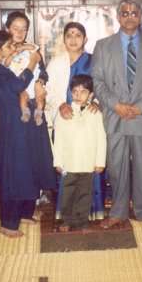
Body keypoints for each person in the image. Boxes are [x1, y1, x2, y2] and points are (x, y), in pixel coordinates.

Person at [91, 0, 142, 229]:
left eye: (135, 12)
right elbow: (98, 79)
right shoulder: (103, 45)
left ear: (141, 17)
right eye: (125, 12)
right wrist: (116, 105)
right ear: (118, 16)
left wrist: (141, 107)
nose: (130, 16)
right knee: (116, 166)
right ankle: (118, 211)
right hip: (115, 114)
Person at [0, 30, 46, 238]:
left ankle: (25, 213)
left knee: (29, 167)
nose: (14, 48)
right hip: (12, 125)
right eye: (9, 46)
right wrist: (32, 62)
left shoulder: (4, 65)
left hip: (23, 122)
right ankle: (8, 223)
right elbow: (19, 84)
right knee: (14, 172)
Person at [45, 22, 104, 220]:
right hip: (65, 119)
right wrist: (61, 104)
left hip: (88, 121)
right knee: (67, 167)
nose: (73, 38)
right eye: (69, 35)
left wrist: (96, 102)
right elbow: (47, 89)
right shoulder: (56, 62)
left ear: (85, 39)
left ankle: (90, 211)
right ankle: (67, 213)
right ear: (63, 39)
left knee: (90, 163)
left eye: (78, 35)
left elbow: (101, 85)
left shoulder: (94, 61)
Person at [3, 11, 56, 204]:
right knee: (21, 156)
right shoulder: (4, 51)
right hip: (16, 107)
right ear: (7, 28)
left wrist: (39, 82)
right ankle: (21, 200)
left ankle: (36, 196)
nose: (19, 32)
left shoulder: (32, 50)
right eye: (15, 28)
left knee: (37, 153)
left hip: (35, 105)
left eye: (24, 29)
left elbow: (44, 73)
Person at [53, 74, 106, 232]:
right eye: (75, 92)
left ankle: (82, 220)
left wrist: (100, 162)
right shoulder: (65, 113)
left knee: (84, 193)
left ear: (90, 94)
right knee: (68, 193)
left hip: (88, 164)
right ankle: (67, 220)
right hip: (69, 164)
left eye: (83, 92)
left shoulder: (96, 114)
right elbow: (59, 140)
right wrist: (58, 162)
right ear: (70, 93)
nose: (78, 95)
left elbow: (101, 139)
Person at [6, 40, 45, 125]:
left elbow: (34, 47)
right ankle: (25, 113)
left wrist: (24, 47)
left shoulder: (28, 52)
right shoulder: (12, 58)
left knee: (40, 100)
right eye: (15, 46)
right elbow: (6, 63)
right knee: (23, 96)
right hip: (24, 83)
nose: (18, 48)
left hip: (34, 80)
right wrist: (13, 54)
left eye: (20, 46)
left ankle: (38, 114)